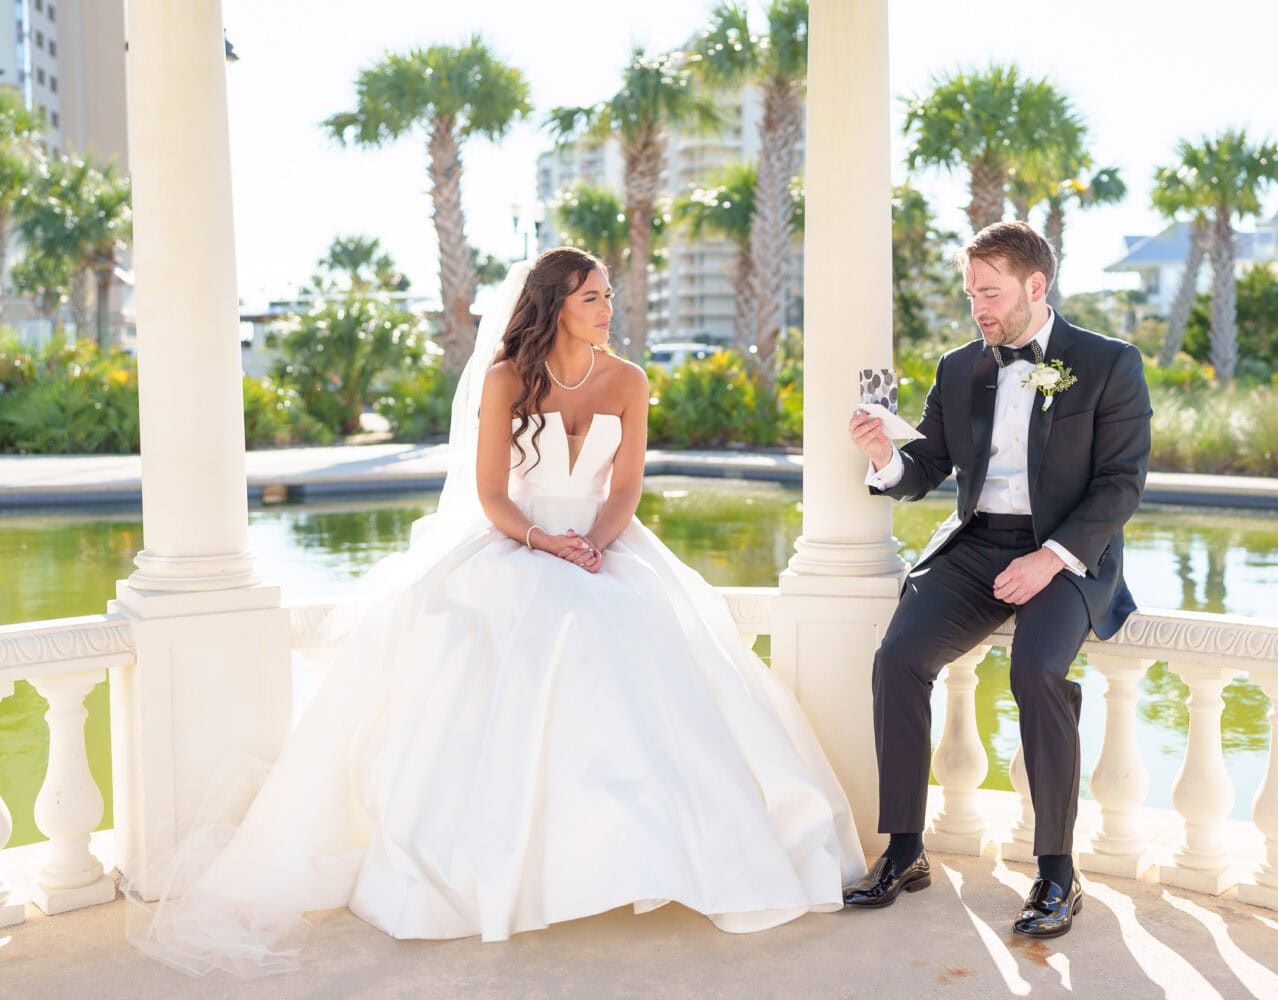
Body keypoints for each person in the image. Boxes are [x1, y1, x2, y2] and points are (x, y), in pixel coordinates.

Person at [130, 248, 864, 977]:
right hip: (520, 539)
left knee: (641, 639)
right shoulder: (507, 378)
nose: (609, 310)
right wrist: (545, 542)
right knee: (522, 638)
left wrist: (595, 548)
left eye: (609, 296)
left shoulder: (629, 380)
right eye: (591, 298)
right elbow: (491, 493)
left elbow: (626, 486)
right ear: (554, 307)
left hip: (605, 541)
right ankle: (506, 872)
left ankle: (653, 853)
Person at [842, 222, 1151, 938]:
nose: (977, 305)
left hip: (1066, 551)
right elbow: (927, 470)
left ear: (1035, 286)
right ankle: (905, 850)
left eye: (990, 291)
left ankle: (1055, 874)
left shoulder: (1109, 363)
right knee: (898, 659)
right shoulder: (960, 368)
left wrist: (1052, 558)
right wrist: (885, 456)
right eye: (970, 291)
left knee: (1037, 671)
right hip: (978, 545)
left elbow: (1120, 484)